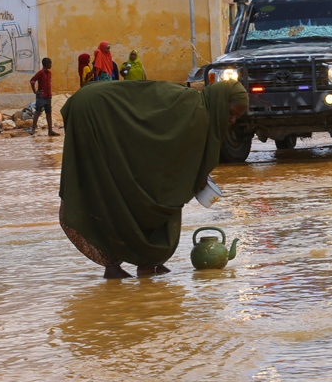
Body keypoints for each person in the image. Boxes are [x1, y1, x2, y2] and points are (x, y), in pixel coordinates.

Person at [58, 80, 249, 279]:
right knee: (106, 189)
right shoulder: (198, 114)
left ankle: (144, 263)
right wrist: (194, 177)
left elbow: (171, 153)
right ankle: (124, 264)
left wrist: (195, 174)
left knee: (125, 195)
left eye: (237, 116)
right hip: (95, 112)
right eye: (232, 113)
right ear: (220, 102)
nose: (232, 120)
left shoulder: (196, 106)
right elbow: (173, 166)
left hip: (97, 108)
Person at [29, 57, 57, 136]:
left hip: (48, 96)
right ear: (46, 64)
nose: (51, 65)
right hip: (41, 96)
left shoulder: (49, 73)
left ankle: (50, 131)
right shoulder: (41, 73)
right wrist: (35, 91)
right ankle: (33, 129)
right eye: (50, 63)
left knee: (49, 113)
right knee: (37, 112)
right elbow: (32, 81)